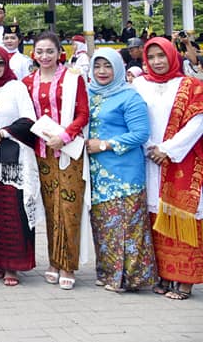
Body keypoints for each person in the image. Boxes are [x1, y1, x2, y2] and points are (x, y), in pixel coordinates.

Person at [131, 37, 203, 301]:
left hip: (181, 160)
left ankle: (185, 280)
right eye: (151, 57)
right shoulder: (139, 85)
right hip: (149, 158)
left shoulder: (191, 86)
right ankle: (163, 273)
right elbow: (134, 119)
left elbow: (198, 123)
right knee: (154, 216)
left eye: (162, 56)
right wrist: (151, 147)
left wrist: (169, 150)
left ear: (173, 56)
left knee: (183, 218)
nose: (157, 62)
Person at [23, 30, 89, 290]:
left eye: (50, 51)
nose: (45, 56)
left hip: (70, 151)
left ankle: (68, 264)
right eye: (40, 51)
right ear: (33, 54)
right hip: (42, 152)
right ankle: (53, 260)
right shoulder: (27, 81)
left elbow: (83, 114)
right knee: (50, 208)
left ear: (60, 52)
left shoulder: (73, 78)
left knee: (69, 209)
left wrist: (64, 135)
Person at [85, 47, 155, 293]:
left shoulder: (129, 96)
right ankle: (106, 273)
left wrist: (105, 144)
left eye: (108, 66)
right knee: (103, 225)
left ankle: (128, 278)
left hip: (123, 172)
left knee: (125, 226)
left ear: (119, 68)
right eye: (97, 66)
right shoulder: (89, 92)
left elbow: (140, 134)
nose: (102, 71)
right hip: (96, 172)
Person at [0, 46, 40, 288]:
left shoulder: (16, 87)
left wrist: (3, 132)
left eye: (0, 63)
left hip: (13, 158)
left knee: (14, 211)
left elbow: (29, 119)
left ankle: (14, 265)